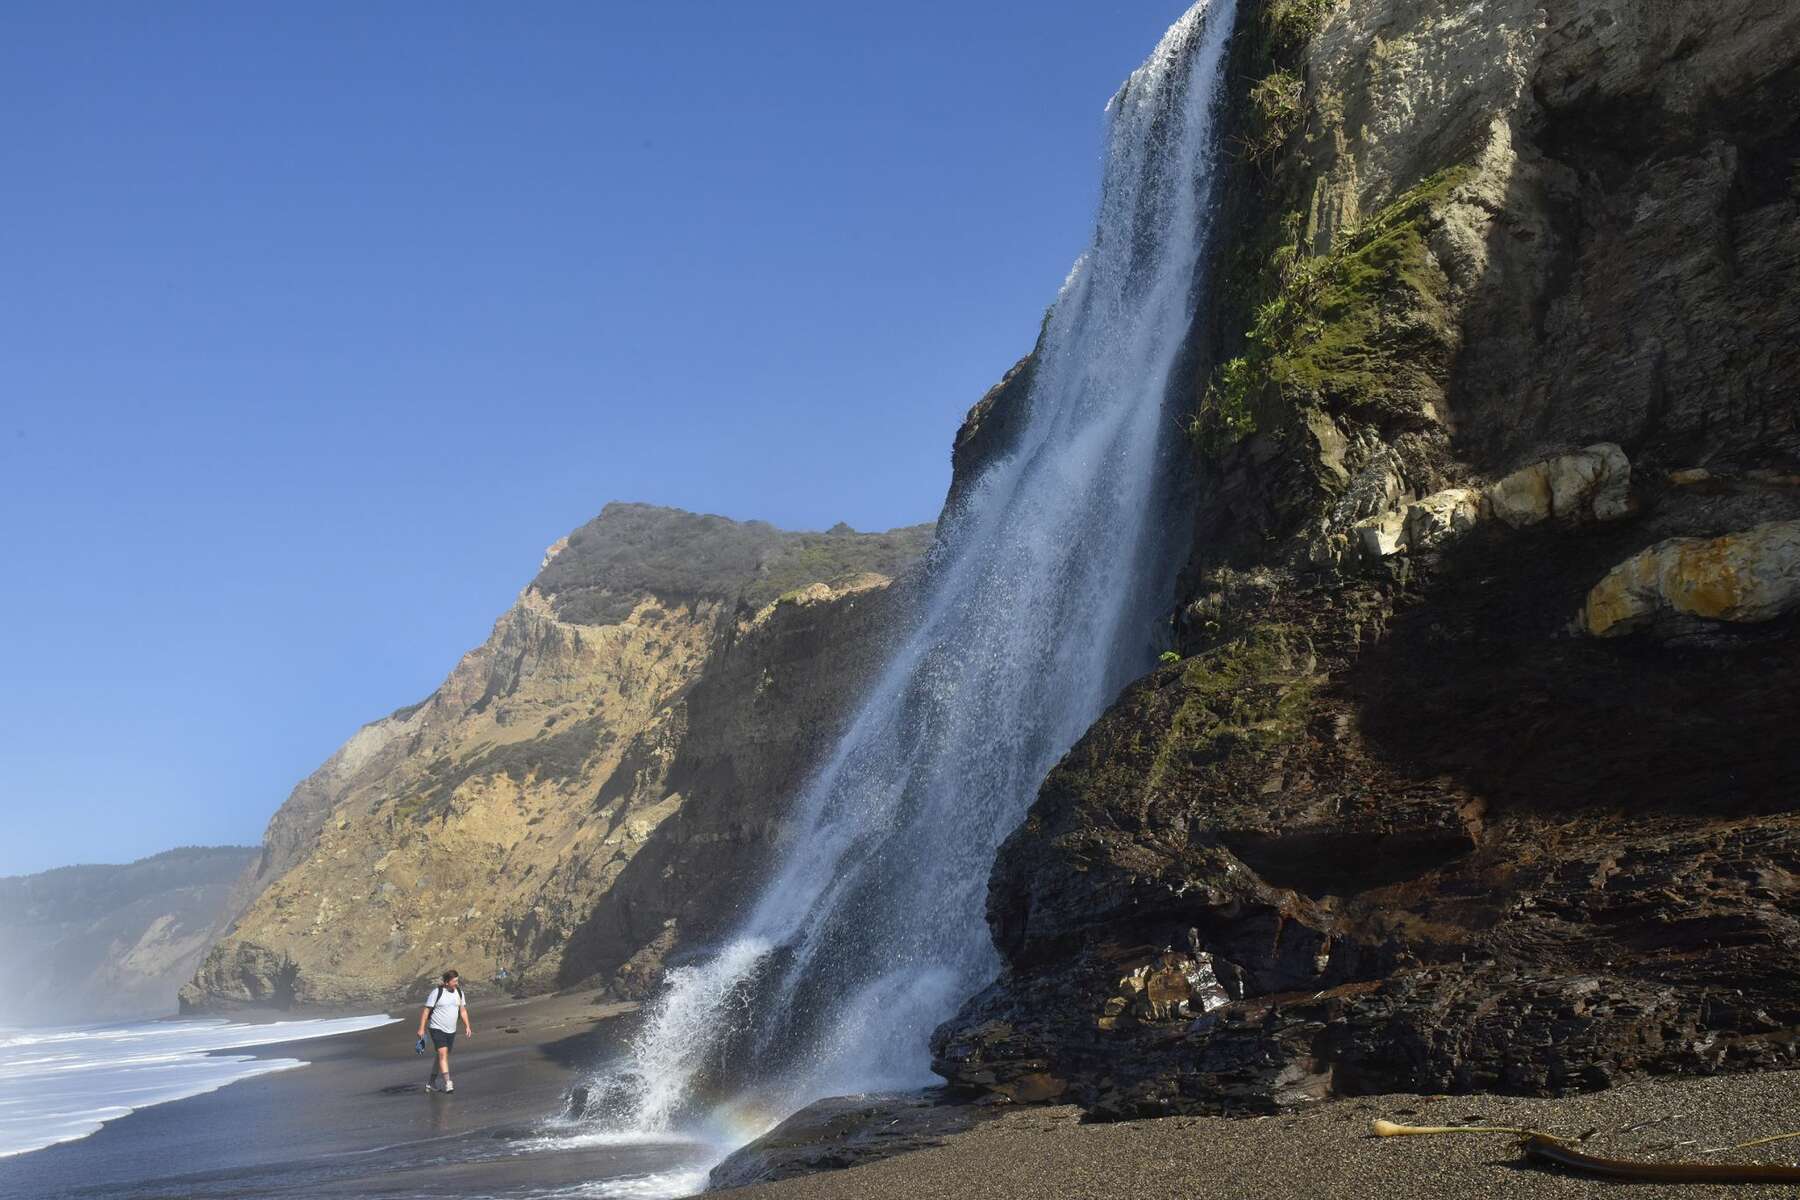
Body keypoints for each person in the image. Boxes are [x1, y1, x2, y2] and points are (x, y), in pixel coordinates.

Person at [416, 969, 473, 1093]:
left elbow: (462, 1010)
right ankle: (448, 1083)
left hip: (451, 1030)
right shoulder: (437, 992)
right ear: (446, 982)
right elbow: (426, 1011)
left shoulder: (459, 992)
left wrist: (467, 1026)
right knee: (443, 1053)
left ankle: (431, 1082)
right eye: (454, 981)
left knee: (442, 1056)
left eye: (457, 980)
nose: (457, 983)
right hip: (436, 1028)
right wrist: (421, 1028)